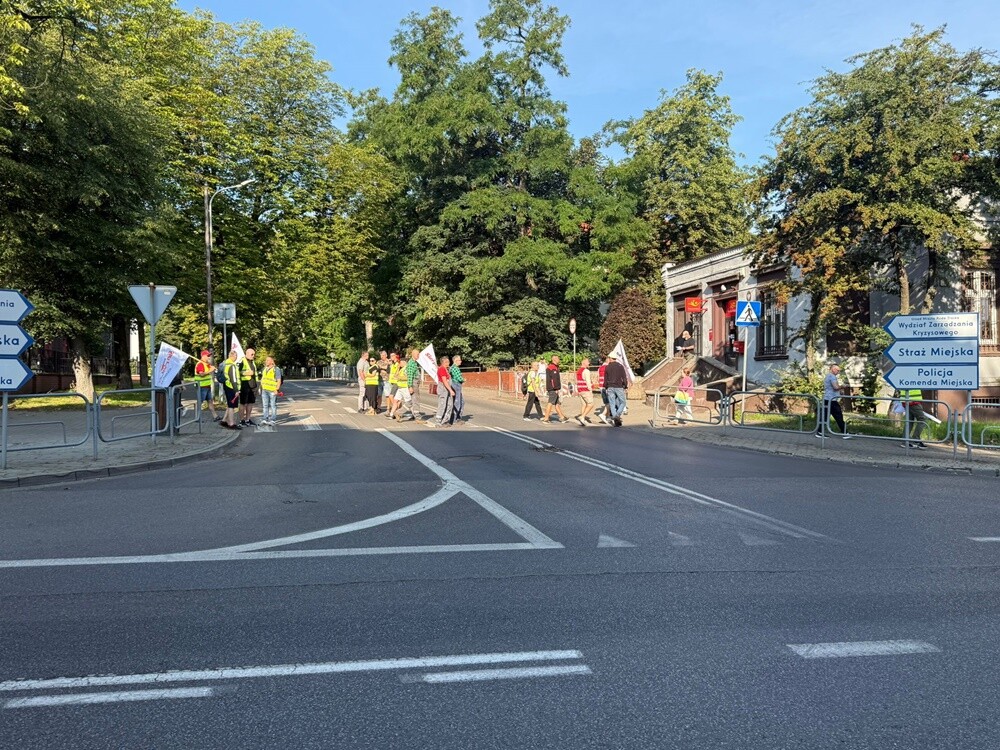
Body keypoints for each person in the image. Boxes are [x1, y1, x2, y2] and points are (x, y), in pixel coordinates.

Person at [816, 362, 850, 438]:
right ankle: (845, 433)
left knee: (825, 416)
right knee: (838, 416)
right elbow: (835, 387)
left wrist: (839, 391)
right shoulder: (832, 377)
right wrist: (843, 386)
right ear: (833, 369)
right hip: (832, 400)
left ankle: (819, 432)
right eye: (838, 370)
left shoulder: (828, 376)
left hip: (827, 399)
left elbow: (833, 388)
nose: (838, 372)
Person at [603, 351, 629, 427]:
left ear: (611, 358)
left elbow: (605, 378)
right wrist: (625, 386)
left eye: (609, 358)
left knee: (612, 403)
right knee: (623, 402)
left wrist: (606, 386)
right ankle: (617, 416)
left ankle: (615, 417)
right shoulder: (620, 366)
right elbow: (624, 377)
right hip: (619, 387)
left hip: (610, 387)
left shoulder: (607, 367)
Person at [193, 350, 219, 422]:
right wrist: (210, 370)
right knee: (200, 402)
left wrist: (212, 369)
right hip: (201, 386)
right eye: (208, 356)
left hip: (207, 386)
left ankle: (215, 416)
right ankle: (197, 418)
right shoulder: (200, 364)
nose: (209, 357)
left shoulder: (206, 364)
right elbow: (201, 374)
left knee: (210, 401)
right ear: (203, 356)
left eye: (209, 356)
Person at [429, 355, 455, 427]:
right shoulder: (442, 369)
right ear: (442, 363)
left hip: (447, 389)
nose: (448, 363)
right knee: (442, 404)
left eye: (448, 361)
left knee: (449, 404)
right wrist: (450, 390)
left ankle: (445, 420)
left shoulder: (446, 369)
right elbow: (444, 381)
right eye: (446, 362)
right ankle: (438, 421)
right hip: (443, 389)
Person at [542, 355, 568, 424]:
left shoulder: (554, 367)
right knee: (550, 403)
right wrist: (556, 388)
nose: (559, 359)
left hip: (553, 388)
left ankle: (562, 417)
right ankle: (546, 418)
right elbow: (553, 380)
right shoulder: (552, 368)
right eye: (558, 358)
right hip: (553, 389)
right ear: (554, 359)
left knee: (557, 404)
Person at [220, 349, 242, 430]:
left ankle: (224, 421)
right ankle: (231, 423)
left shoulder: (226, 364)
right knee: (231, 406)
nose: (236, 357)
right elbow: (234, 379)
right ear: (232, 356)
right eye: (236, 355)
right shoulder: (232, 365)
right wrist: (236, 390)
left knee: (230, 405)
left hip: (227, 386)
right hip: (231, 387)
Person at [259, 356, 283, 425]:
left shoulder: (276, 369)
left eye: (268, 360)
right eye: (266, 360)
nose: (266, 361)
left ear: (272, 361)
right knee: (265, 405)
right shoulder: (264, 369)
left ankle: (273, 419)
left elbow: (279, 380)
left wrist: (277, 389)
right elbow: (263, 379)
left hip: (272, 390)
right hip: (264, 390)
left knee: (273, 405)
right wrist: (260, 388)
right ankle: (265, 419)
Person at [239, 347, 259, 427]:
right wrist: (246, 373)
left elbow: (255, 373)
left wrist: (257, 385)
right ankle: (241, 421)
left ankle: (247, 420)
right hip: (245, 384)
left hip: (253, 385)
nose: (253, 355)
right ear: (246, 354)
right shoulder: (242, 361)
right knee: (243, 403)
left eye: (254, 354)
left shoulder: (252, 362)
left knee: (251, 403)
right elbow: (237, 371)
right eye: (252, 354)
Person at [393, 353, 415, 421]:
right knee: (395, 400)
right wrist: (398, 368)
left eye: (401, 362)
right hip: (400, 387)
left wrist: (399, 377)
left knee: (409, 402)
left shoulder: (406, 369)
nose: (400, 363)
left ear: (404, 362)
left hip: (404, 387)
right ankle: (392, 414)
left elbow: (406, 377)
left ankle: (414, 414)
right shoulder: (402, 368)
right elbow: (395, 375)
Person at [574, 357, 595, 426]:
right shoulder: (586, 371)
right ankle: (582, 417)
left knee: (584, 405)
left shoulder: (578, 371)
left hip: (580, 390)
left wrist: (577, 389)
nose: (589, 363)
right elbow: (588, 382)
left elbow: (576, 381)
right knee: (591, 404)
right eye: (588, 362)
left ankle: (582, 419)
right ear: (584, 363)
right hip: (586, 390)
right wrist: (590, 390)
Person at [406, 348, 423, 419]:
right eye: (417, 354)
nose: (419, 355)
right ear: (413, 355)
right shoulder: (411, 363)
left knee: (414, 398)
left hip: (415, 382)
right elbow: (410, 375)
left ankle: (413, 413)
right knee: (416, 398)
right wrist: (410, 386)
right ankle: (417, 414)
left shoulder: (415, 362)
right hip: (413, 383)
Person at [449, 355, 465, 423]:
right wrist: (463, 379)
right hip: (456, 385)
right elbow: (459, 378)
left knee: (460, 401)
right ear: (455, 361)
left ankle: (456, 417)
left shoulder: (452, 367)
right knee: (458, 402)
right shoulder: (455, 368)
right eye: (459, 360)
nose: (461, 361)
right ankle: (455, 418)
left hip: (454, 384)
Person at [595, 356, 611, 424]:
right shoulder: (608, 368)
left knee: (606, 402)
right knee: (609, 402)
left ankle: (608, 417)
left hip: (601, 386)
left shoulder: (599, 368)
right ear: (607, 360)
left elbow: (598, 377)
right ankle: (603, 414)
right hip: (607, 386)